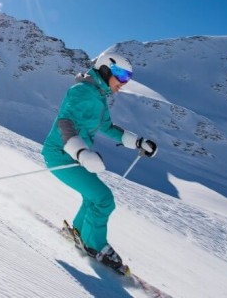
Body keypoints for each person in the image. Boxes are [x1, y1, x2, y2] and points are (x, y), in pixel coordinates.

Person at [41, 51, 157, 271]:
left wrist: (138, 142)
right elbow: (65, 122)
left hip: (75, 156)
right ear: (105, 69)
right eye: (121, 75)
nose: (124, 82)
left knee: (93, 197)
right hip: (60, 154)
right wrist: (80, 152)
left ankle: (79, 231)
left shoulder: (99, 97)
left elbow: (108, 128)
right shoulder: (81, 91)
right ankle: (95, 245)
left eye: (128, 77)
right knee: (104, 199)